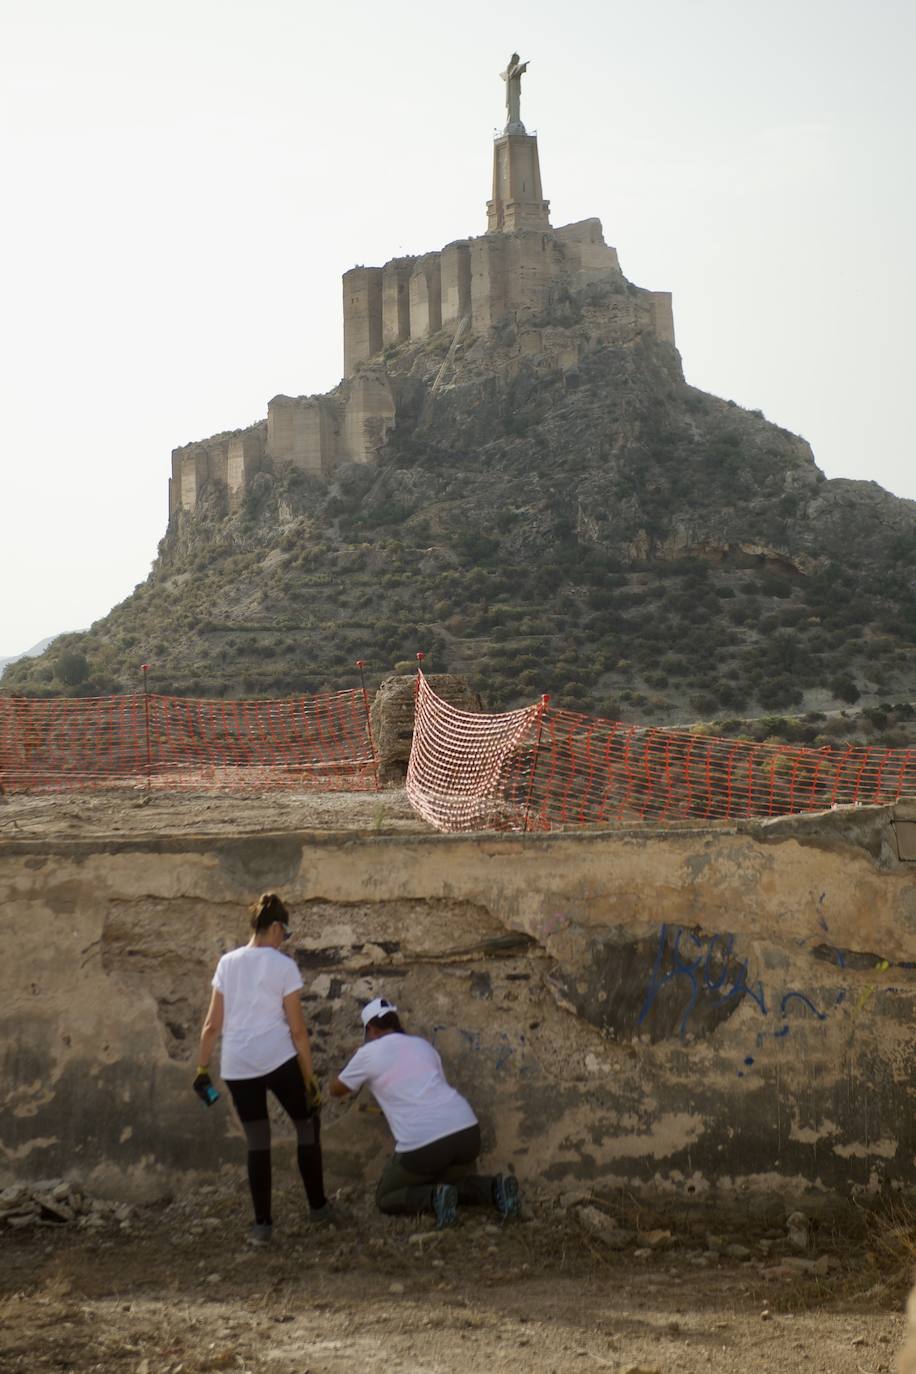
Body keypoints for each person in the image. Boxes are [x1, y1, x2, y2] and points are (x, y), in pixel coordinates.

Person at [194, 892, 328, 1245]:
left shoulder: (227, 963)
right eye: (285, 932)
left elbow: (211, 1025)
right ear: (275, 927)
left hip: (237, 1065)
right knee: (307, 1124)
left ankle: (262, 1226)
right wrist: (310, 1077)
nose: (285, 939)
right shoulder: (283, 966)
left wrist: (202, 1069)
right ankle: (318, 1208)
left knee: (257, 1141)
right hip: (278, 1059)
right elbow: (298, 1030)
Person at [329, 996, 520, 1227]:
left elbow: (338, 1089)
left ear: (370, 1029)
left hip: (425, 1144)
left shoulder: (368, 1053)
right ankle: (493, 1188)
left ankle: (432, 1198)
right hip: (467, 1132)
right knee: (445, 1181)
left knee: (386, 1197)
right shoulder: (422, 1045)